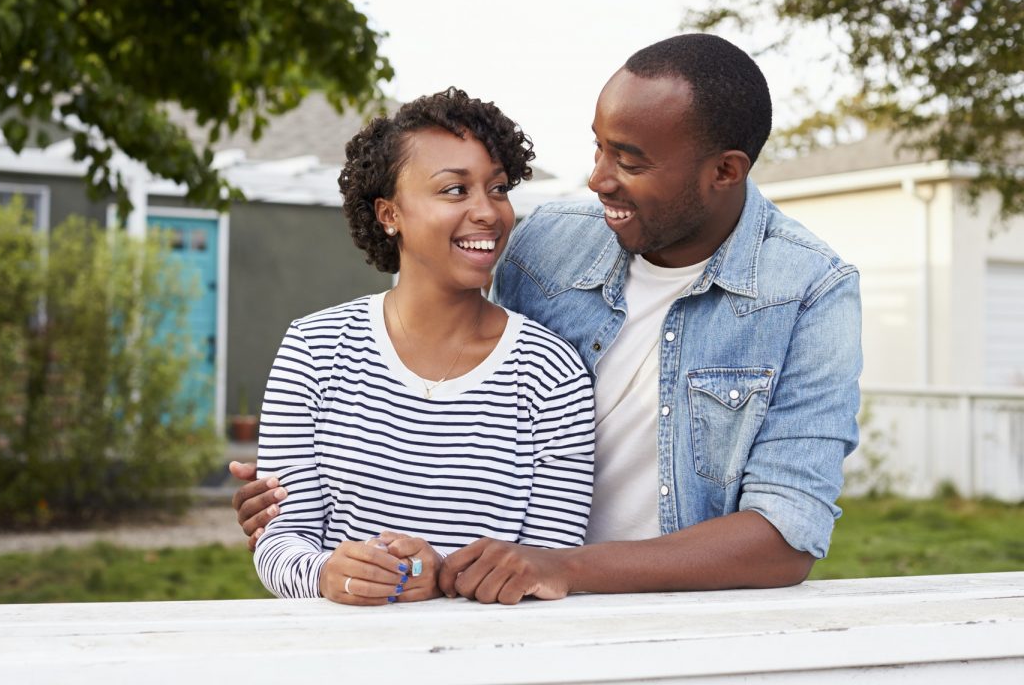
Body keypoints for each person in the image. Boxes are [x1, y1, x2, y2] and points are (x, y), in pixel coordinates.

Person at [232, 34, 862, 604]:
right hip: (515, 598)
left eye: (630, 161)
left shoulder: (809, 290)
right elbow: (443, 341)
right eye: (598, 147)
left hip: (665, 608)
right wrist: (292, 521)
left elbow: (787, 535)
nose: (597, 180)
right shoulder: (548, 243)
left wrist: (558, 566)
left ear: (724, 171)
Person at [251, 87, 596, 605]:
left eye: (498, 188)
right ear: (390, 213)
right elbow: (279, 541)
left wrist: (441, 578)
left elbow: (548, 563)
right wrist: (327, 574)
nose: (488, 212)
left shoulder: (551, 372)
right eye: (455, 190)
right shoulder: (314, 349)